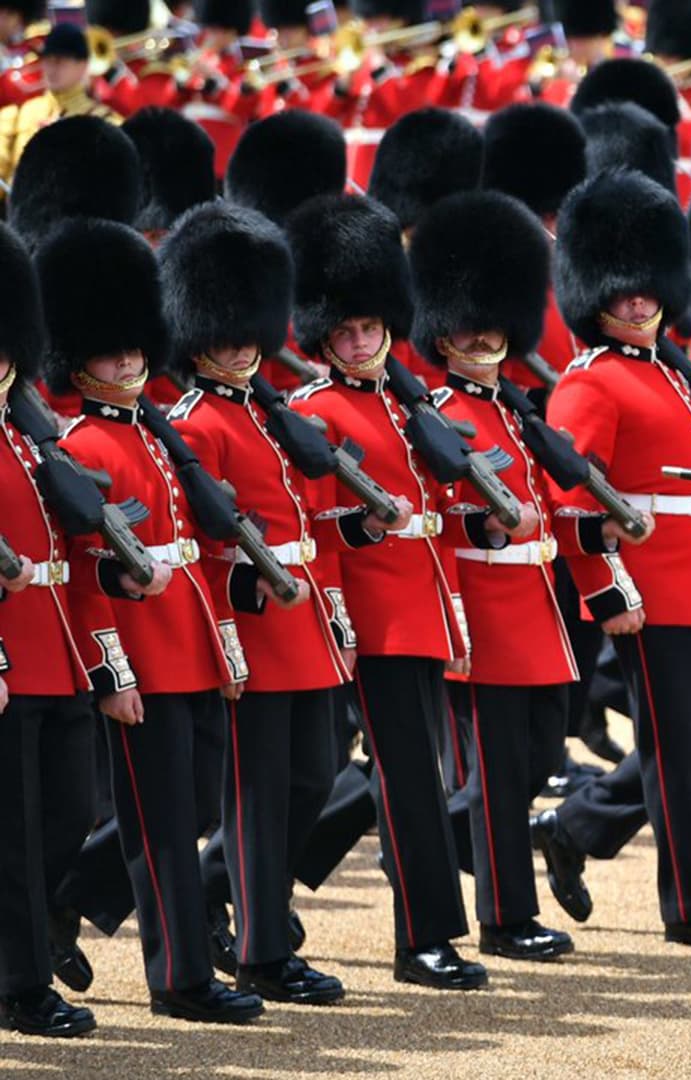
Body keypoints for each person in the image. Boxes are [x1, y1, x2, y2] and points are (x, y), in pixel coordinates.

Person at [546, 167, 691, 950]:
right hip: (648, 591)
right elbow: (573, 504)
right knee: (678, 752)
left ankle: (576, 828)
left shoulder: (677, 371)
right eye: (623, 292)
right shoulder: (591, 384)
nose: (639, 302)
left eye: (647, 289)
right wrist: (610, 595)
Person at [42, 218, 264, 1024]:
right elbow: (85, 582)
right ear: (79, 362)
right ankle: (181, 979)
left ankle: (63, 900)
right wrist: (112, 674)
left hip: (192, 649)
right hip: (140, 661)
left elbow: (195, 561)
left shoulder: (158, 438)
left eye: (135, 348)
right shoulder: (78, 448)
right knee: (165, 826)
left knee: (198, 806)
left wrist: (226, 648)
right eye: (111, 354)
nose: (130, 361)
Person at [285, 194, 490, 988]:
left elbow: (436, 510)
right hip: (370, 613)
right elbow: (311, 521)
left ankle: (223, 888)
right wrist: (357, 554)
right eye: (348, 332)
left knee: (404, 775)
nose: (363, 341)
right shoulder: (315, 410)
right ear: (325, 336)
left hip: (426, 604)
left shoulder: (410, 407)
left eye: (371, 328)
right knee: (405, 779)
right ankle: (425, 939)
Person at [160, 202, 354, 1005]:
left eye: (249, 332)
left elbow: (308, 521)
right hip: (246, 626)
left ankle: (225, 898)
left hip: (301, 619)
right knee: (257, 795)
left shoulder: (272, 415)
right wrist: (233, 621)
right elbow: (195, 544)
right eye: (226, 334)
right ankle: (264, 953)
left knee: (316, 774)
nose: (241, 347)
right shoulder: (194, 425)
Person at [408, 189, 579, 961]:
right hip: (480, 604)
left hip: (535, 605)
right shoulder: (435, 415)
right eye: (468, 327)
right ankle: (507, 917)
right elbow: (434, 517)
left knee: (542, 757)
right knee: (501, 773)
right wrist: (481, 528)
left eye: (492, 324)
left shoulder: (512, 409)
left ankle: (427, 843)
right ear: (442, 334)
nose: (483, 337)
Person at [0, 221, 98, 1038]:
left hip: (57, 653)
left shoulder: (28, 437)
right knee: (17, 838)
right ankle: (23, 986)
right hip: (6, 661)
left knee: (70, 814)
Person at [0, 24, 119, 182]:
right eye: (48, 59)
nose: (52, 67)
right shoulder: (20, 113)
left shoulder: (106, 121)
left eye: (62, 60)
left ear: (82, 65)